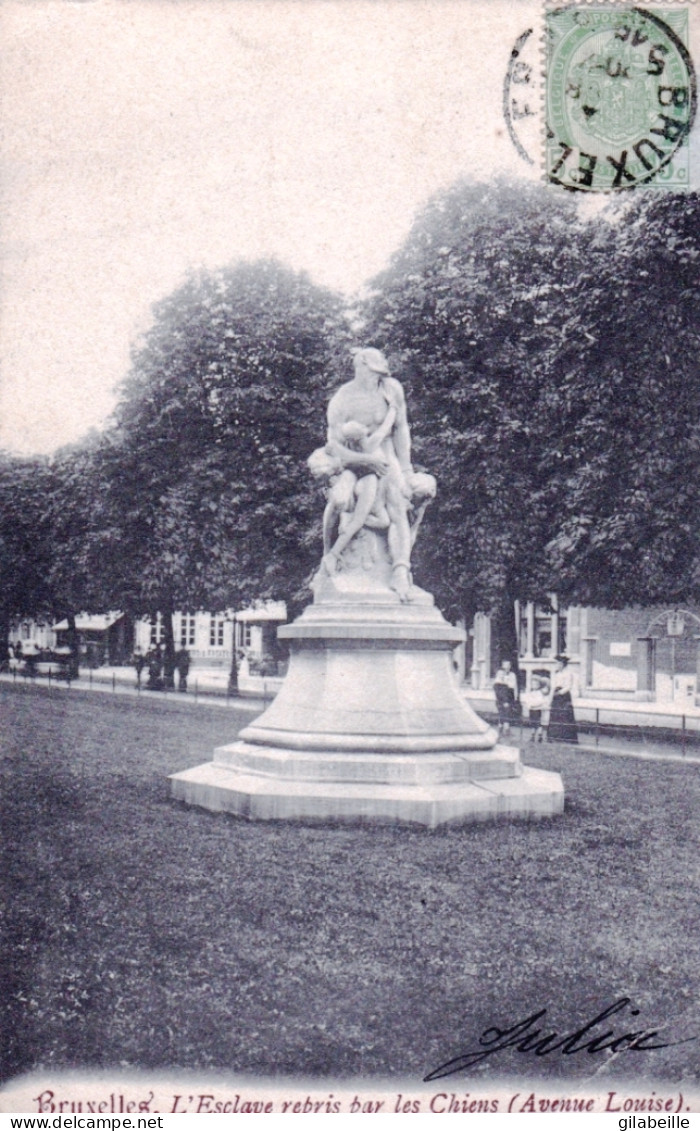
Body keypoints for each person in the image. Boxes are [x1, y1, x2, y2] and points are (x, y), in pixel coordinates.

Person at [318, 347, 435, 601]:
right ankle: (328, 554)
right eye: (374, 369)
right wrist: (365, 460)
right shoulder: (342, 399)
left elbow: (401, 429)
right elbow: (335, 446)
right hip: (352, 463)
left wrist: (405, 469)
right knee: (340, 501)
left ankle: (400, 571)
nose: (379, 374)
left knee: (397, 501)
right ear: (362, 365)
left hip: (386, 458)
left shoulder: (392, 388)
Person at [547, 655, 578, 744]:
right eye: (556, 664)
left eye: (559, 664)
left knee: (565, 715)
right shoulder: (556, 674)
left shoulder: (568, 674)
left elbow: (568, 686)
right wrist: (550, 698)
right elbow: (553, 687)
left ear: (563, 664)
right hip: (556, 697)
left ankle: (567, 738)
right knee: (555, 715)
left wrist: (559, 693)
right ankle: (554, 736)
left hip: (564, 696)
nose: (557, 665)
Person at [493, 660, 518, 737]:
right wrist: (504, 700)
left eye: (508, 665)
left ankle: (504, 730)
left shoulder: (512, 675)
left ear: (510, 666)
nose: (506, 667)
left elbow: (514, 686)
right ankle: (503, 730)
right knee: (503, 712)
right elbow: (499, 692)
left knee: (507, 712)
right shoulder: (498, 681)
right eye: (505, 665)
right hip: (503, 698)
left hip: (510, 695)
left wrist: (515, 697)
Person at [525, 675, 548, 743]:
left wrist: (533, 704)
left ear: (539, 685)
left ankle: (540, 736)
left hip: (537, 710)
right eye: (533, 684)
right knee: (532, 723)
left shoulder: (539, 693)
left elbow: (540, 701)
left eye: (536, 684)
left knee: (538, 724)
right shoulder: (530, 693)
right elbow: (527, 700)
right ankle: (532, 736)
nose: (534, 685)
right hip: (531, 710)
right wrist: (529, 705)